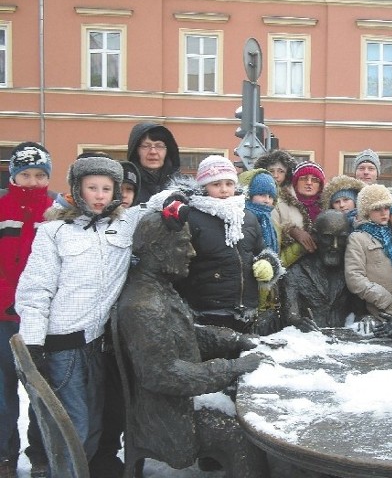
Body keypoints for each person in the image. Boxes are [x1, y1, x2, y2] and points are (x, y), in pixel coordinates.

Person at [14, 154, 177, 466]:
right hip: (63, 347)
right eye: (92, 188)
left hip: (97, 345)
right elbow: (36, 290)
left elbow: (160, 202)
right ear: (77, 190)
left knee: (94, 429)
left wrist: (178, 203)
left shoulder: (125, 225)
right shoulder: (55, 232)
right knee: (73, 427)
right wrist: (33, 344)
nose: (100, 195)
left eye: (106, 188)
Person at [116, 211, 272, 478]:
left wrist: (235, 340)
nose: (191, 252)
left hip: (179, 403)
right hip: (171, 417)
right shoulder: (145, 305)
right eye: (183, 244)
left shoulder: (159, 288)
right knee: (246, 434)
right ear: (157, 250)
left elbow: (187, 334)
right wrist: (232, 367)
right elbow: (165, 375)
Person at [175, 156, 284, 334]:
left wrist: (268, 264)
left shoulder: (247, 216)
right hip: (207, 309)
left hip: (246, 309)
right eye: (216, 184)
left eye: (229, 183)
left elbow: (262, 250)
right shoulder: (192, 217)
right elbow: (181, 264)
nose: (224, 190)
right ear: (204, 186)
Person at [0, 143, 52, 477]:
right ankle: (5, 453)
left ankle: (41, 454)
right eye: (25, 174)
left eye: (39, 175)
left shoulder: (56, 211)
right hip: (3, 317)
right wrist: (8, 296)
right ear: (13, 175)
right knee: (3, 393)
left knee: (40, 391)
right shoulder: (2, 208)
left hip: (41, 319)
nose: (32, 181)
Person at [89, 159, 142, 478]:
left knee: (129, 400)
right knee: (107, 400)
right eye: (118, 189)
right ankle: (104, 456)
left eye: (129, 189)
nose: (123, 195)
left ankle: (133, 457)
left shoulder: (137, 221)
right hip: (101, 328)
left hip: (130, 326)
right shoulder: (92, 223)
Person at [281, 210, 366, 330]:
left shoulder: (351, 270)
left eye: (341, 238)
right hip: (309, 342)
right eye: (328, 238)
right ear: (315, 236)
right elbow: (290, 315)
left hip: (346, 341)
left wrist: (366, 318)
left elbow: (360, 312)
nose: (335, 245)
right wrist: (298, 322)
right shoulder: (296, 272)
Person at [345, 184, 392, 318]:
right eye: (377, 209)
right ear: (366, 211)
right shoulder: (358, 238)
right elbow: (354, 278)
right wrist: (384, 299)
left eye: (387, 207)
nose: (384, 213)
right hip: (382, 311)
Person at [238, 168, 288, 335]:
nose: (267, 200)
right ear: (248, 194)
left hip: (266, 292)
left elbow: (277, 257)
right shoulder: (240, 219)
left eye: (270, 196)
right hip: (244, 295)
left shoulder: (272, 224)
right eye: (261, 195)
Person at [127, 122, 181, 202]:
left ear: (168, 151)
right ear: (136, 151)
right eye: (146, 146)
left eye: (159, 146)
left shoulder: (182, 187)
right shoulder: (125, 185)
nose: (153, 152)